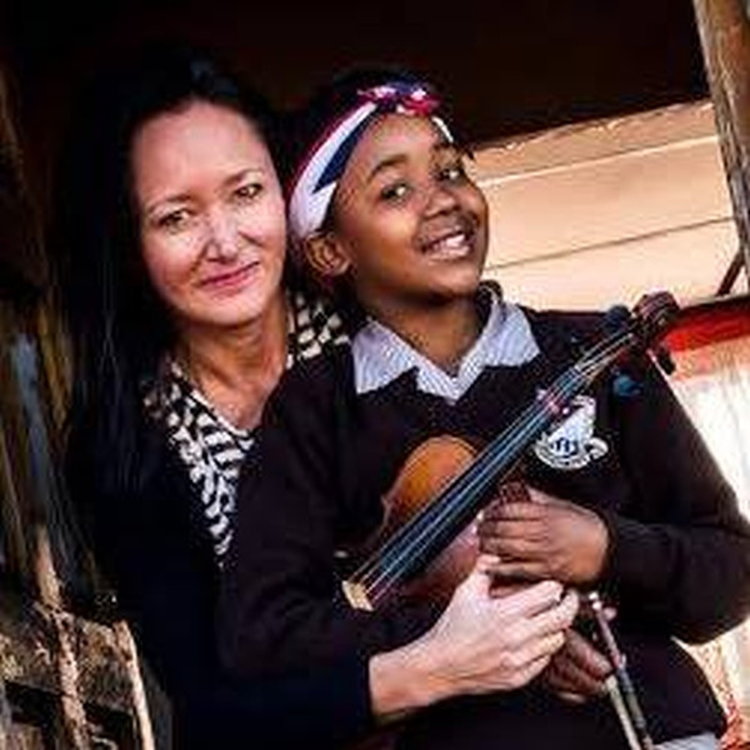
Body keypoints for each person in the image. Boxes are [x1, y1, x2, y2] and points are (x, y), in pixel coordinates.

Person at [52, 47, 578, 749]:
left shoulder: (389, 331)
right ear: (127, 242)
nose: (226, 242)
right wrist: (430, 668)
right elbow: (212, 711)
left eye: (247, 193)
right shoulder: (128, 448)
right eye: (176, 217)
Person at [219, 70, 750, 749]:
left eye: (450, 171)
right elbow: (264, 636)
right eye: (395, 190)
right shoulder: (316, 407)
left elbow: (730, 574)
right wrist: (466, 639)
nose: (443, 200)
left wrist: (606, 545)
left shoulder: (592, 350)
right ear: (331, 249)